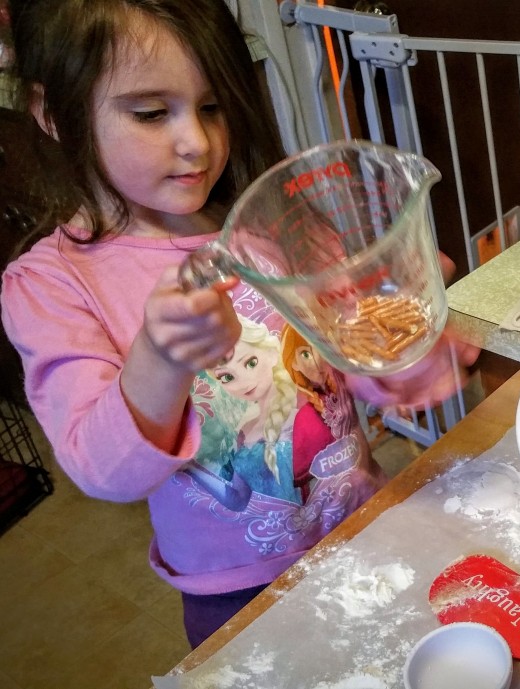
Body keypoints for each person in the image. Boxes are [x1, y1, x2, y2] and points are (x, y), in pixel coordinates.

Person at [1, 0, 478, 649]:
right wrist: (159, 361)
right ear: (51, 112)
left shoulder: (273, 222)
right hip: (237, 590)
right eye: (150, 112)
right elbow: (100, 466)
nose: (197, 141)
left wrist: (404, 353)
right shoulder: (53, 285)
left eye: (212, 105)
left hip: (364, 519)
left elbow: (347, 351)